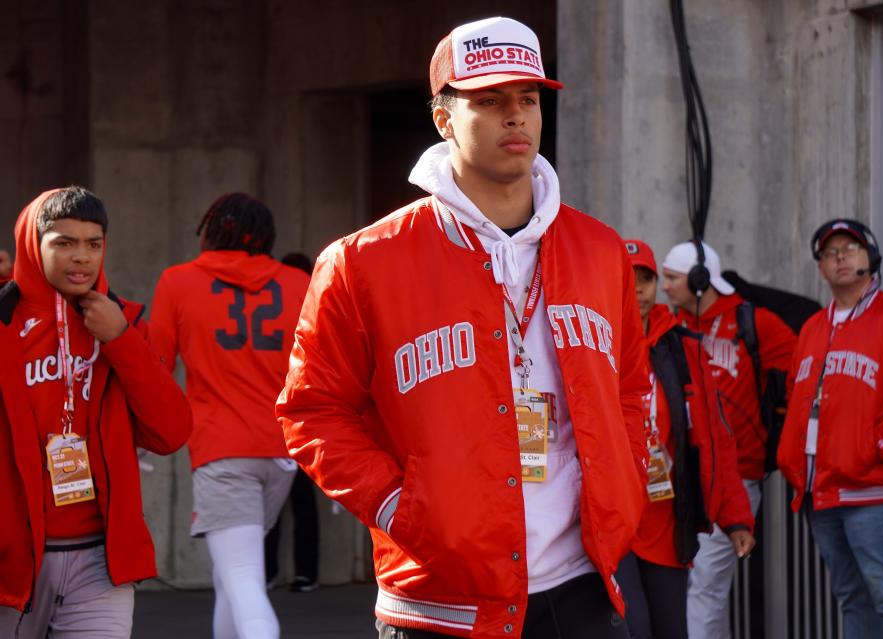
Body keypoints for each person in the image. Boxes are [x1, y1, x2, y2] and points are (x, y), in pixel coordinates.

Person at [277, 16, 650, 639]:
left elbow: (633, 390)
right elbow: (312, 413)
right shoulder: (362, 262)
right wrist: (405, 508)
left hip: (584, 585)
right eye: (489, 100)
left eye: (528, 99)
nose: (516, 116)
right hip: (440, 601)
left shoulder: (601, 250)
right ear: (442, 117)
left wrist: (626, 487)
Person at [0, 187, 193, 638]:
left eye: (93, 243)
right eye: (64, 243)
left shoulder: (122, 321)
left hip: (99, 564)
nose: (81, 257)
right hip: (11, 566)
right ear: (33, 244)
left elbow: (171, 432)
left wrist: (121, 339)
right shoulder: (5, 325)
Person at [149, 193, 309, 639]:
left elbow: (155, 369)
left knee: (242, 580)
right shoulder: (297, 283)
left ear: (210, 230)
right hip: (283, 451)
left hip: (221, 449)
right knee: (231, 578)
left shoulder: (178, 282)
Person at [778, 219, 883, 639]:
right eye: (830, 253)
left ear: (870, 257)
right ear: (821, 268)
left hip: (871, 487)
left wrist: (875, 446)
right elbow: (797, 398)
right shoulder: (813, 328)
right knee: (851, 596)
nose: (840, 258)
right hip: (819, 489)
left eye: (850, 248)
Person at [617, 239, 755, 639]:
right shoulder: (594, 345)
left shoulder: (682, 349)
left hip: (666, 520)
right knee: (632, 628)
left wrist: (735, 518)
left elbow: (715, 439)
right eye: (628, 279)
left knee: (671, 630)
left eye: (646, 279)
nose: (638, 289)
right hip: (615, 521)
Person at [659, 239, 796, 638]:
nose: (665, 288)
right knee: (689, 589)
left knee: (704, 589)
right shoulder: (674, 328)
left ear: (701, 281)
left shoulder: (754, 323)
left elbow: (803, 376)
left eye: (672, 278)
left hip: (734, 477)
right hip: (679, 479)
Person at [264, 252, 321, 593]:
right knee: (301, 504)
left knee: (271, 511)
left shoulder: (273, 311)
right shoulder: (306, 308)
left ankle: (269, 572)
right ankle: (305, 573)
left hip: (280, 422)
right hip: (303, 423)